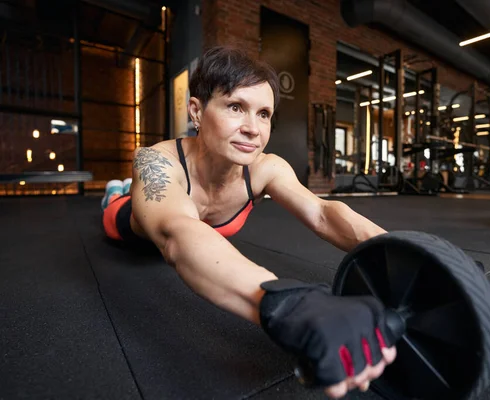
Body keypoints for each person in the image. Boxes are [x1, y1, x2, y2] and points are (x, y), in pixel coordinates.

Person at [100, 46, 396, 399]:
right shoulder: (156, 162)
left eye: (264, 114)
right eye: (236, 107)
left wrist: (401, 250)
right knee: (118, 198)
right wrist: (292, 304)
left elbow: (321, 212)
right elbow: (178, 234)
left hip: (191, 228)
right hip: (129, 227)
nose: (253, 129)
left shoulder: (264, 168)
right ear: (196, 110)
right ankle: (116, 191)